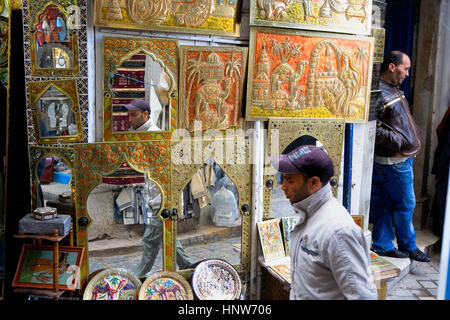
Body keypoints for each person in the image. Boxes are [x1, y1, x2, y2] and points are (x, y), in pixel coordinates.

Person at [270, 145, 377, 300]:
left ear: (314, 183)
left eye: (289, 180)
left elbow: (362, 296)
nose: (283, 187)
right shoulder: (308, 215)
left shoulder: (338, 231)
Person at [369, 51, 430, 262]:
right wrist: (399, 141)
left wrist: (414, 133)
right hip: (394, 161)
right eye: (405, 68)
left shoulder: (394, 89)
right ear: (392, 67)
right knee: (406, 204)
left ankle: (383, 244)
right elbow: (373, 128)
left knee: (387, 202)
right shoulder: (378, 92)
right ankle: (409, 245)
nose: (407, 74)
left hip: (400, 158)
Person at [134, 178, 195, 277]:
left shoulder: (163, 168)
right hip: (158, 207)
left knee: (150, 239)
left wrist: (179, 210)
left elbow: (176, 188)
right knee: (169, 237)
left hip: (163, 207)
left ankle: (141, 272)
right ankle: (186, 264)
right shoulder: (150, 170)